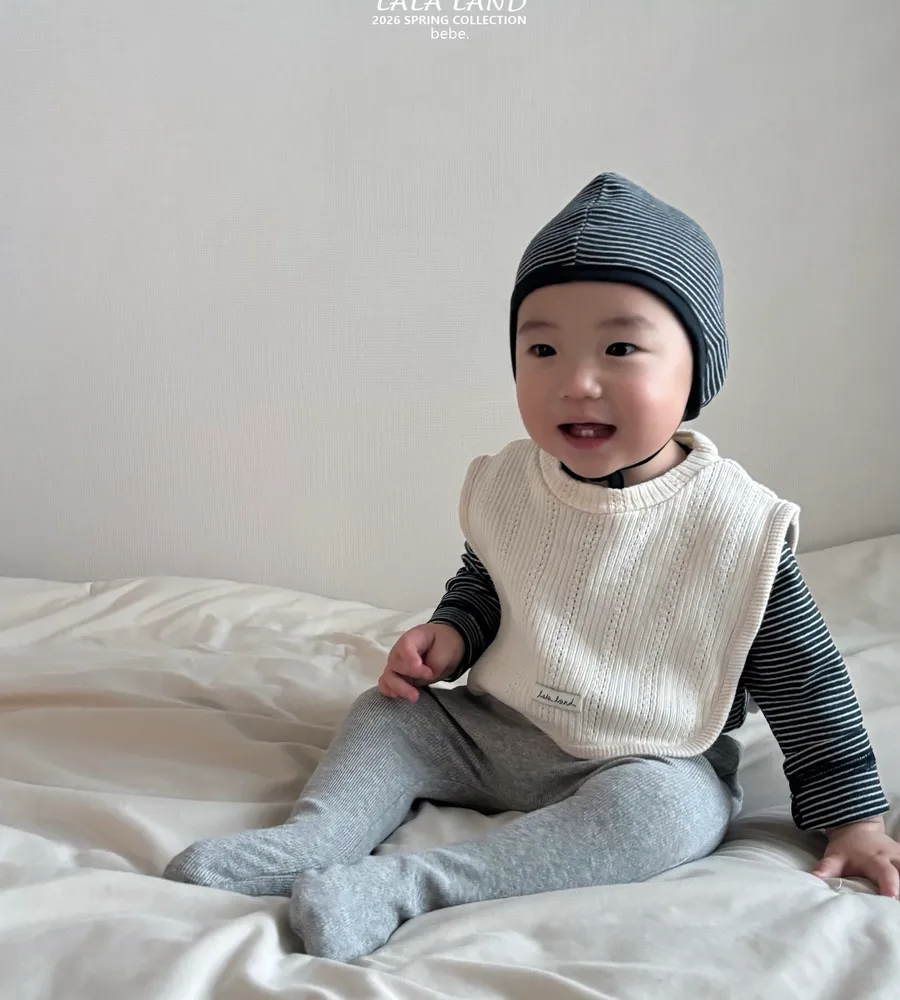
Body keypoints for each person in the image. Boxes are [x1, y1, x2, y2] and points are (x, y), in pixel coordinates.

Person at [164, 172, 899, 962]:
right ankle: (313, 842)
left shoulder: (736, 526)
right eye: (542, 349)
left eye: (620, 348)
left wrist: (853, 818)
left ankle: (404, 886)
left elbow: (805, 680)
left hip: (638, 755)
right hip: (496, 732)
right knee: (388, 715)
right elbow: (494, 580)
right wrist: (453, 632)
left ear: (697, 370)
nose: (576, 382)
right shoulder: (517, 482)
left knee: (673, 814)